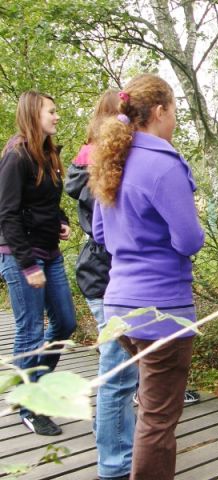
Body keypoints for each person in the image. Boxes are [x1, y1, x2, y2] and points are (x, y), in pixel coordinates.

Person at [66, 89, 202, 480]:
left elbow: (100, 233)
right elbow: (189, 240)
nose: (175, 120)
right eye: (174, 111)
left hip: (119, 308)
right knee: (158, 422)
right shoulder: (164, 164)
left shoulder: (115, 158)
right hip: (162, 311)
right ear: (159, 111)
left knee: (146, 405)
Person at [0, 91, 77, 436]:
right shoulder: (16, 156)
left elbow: (48, 200)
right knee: (30, 331)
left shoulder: (48, 154)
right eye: (52, 111)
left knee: (64, 322)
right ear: (35, 115)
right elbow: (7, 213)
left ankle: (36, 385)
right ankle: (27, 404)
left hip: (49, 252)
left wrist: (61, 220)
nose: (57, 117)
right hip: (21, 256)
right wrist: (28, 265)